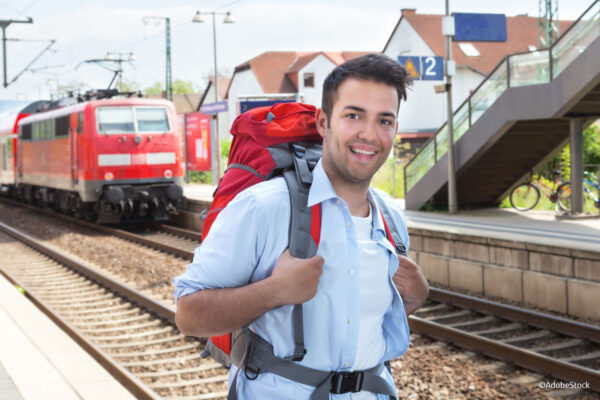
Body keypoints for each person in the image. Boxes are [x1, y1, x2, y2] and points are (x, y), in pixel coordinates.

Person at [174, 53, 429, 400]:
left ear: (395, 129)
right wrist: (274, 291)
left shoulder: (391, 220)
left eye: (384, 120)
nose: (369, 134)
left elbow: (356, 321)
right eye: (353, 115)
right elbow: (189, 316)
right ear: (324, 123)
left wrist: (414, 297)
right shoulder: (265, 207)